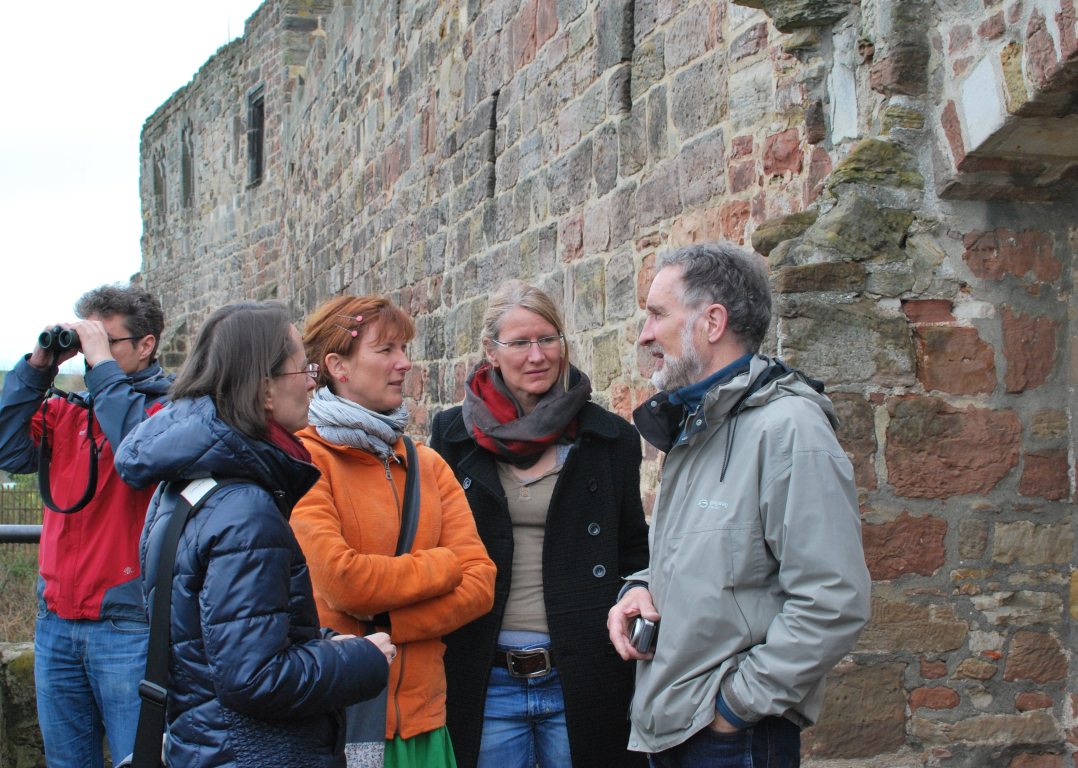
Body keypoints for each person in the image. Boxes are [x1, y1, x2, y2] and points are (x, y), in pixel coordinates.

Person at [606, 243, 872, 767]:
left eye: (657, 314)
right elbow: (712, 557)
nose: (644, 334)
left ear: (712, 322)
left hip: (733, 739)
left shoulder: (789, 429)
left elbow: (833, 600)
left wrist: (735, 706)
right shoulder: (698, 425)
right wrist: (640, 589)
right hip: (676, 728)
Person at [113, 301, 394, 767]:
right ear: (265, 389)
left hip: (208, 744)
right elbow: (255, 678)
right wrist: (361, 659)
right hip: (253, 752)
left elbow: (211, 641)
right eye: (301, 368)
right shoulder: (245, 508)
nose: (312, 381)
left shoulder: (182, 486)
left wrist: (321, 643)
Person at [430, 281, 650, 768]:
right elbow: (435, 547)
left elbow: (634, 549)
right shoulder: (451, 436)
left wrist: (639, 593)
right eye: (520, 342)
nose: (537, 355)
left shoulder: (610, 439)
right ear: (491, 351)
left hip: (582, 673)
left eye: (548, 339)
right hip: (485, 676)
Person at [292, 295, 496, 768]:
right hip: (343, 719)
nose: (404, 363)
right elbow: (343, 581)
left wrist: (385, 623)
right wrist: (443, 565)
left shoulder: (428, 465)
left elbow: (480, 583)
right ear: (338, 365)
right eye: (386, 350)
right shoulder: (304, 463)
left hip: (426, 720)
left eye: (403, 349)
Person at [0, 284, 170, 768]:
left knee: (139, 761)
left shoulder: (166, 411)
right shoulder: (66, 411)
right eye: (87, 340)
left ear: (146, 344)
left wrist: (102, 369)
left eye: (107, 341)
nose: (94, 352)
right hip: (55, 621)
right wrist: (38, 368)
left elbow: (141, 454)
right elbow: (6, 449)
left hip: (128, 626)